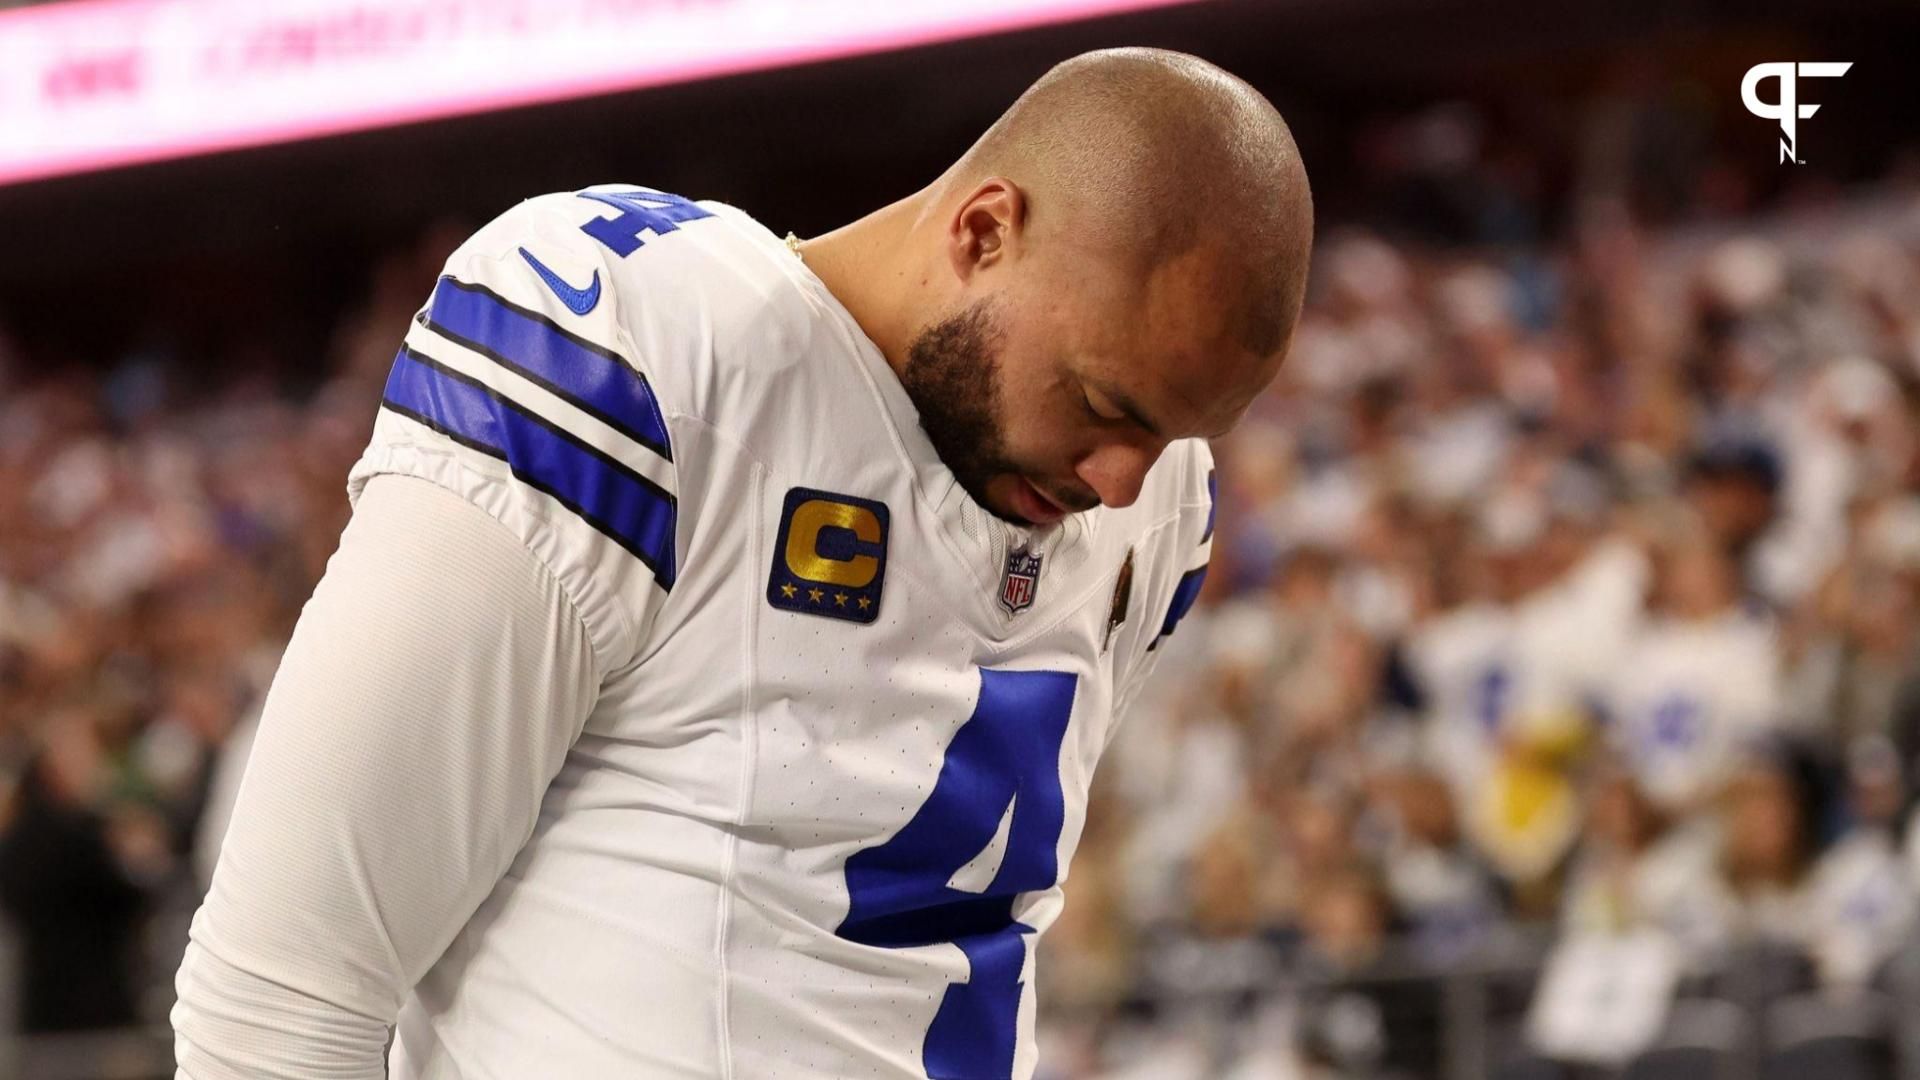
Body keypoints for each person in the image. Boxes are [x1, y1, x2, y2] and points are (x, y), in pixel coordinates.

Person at [170, 47, 1313, 1079]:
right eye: (1105, 405)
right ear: (981, 232)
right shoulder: (648, 352)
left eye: (1171, 433)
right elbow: (282, 995)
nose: (1122, 480)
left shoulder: (1159, 507)